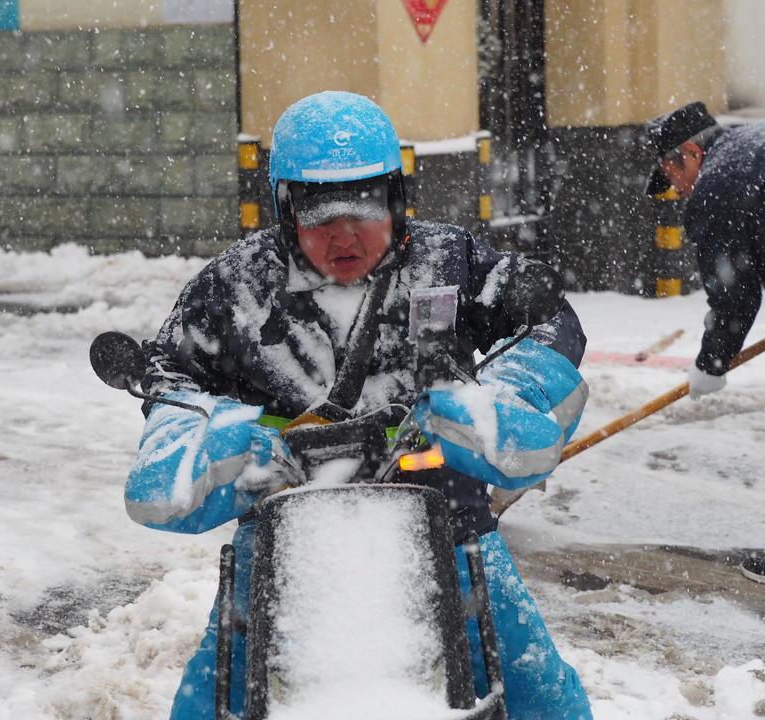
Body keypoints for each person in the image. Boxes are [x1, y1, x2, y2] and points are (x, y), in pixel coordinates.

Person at [125, 91, 593, 719]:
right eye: (321, 216)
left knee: (537, 696)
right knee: (214, 700)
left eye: (366, 209)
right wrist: (218, 449)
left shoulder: (447, 260)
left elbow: (548, 322)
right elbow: (172, 382)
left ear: (396, 198)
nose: (345, 236)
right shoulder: (233, 289)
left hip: (454, 531)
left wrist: (499, 403)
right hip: (282, 547)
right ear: (286, 208)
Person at [644, 102, 765, 584]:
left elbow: (735, 293)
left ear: (690, 153)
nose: (676, 189)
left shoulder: (720, 187)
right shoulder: (750, 145)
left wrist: (711, 363)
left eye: (671, 175)